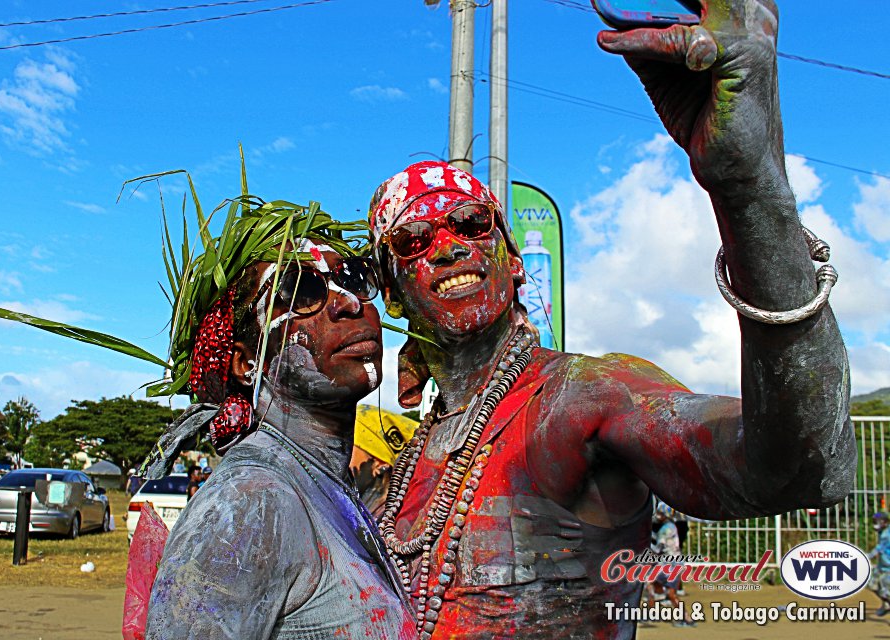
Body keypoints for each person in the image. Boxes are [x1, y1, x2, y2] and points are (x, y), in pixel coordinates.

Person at [366, 1, 854, 637]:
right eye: (414, 242)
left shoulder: (584, 397)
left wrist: (750, 185)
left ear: (513, 261)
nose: (451, 247)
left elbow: (802, 465)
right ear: (392, 291)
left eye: (470, 224)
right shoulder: (395, 468)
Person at [141, 194, 416, 639]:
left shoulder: (321, 483)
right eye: (301, 291)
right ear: (245, 361)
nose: (348, 302)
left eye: (354, 278)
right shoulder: (250, 503)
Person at [870, 512, 890, 617]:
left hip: (888, 567)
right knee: (872, 585)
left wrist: (867, 556)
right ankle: (886, 604)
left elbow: (879, 548)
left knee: (885, 590)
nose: (876, 524)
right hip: (881, 566)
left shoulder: (887, 534)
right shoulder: (881, 532)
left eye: (879, 521)